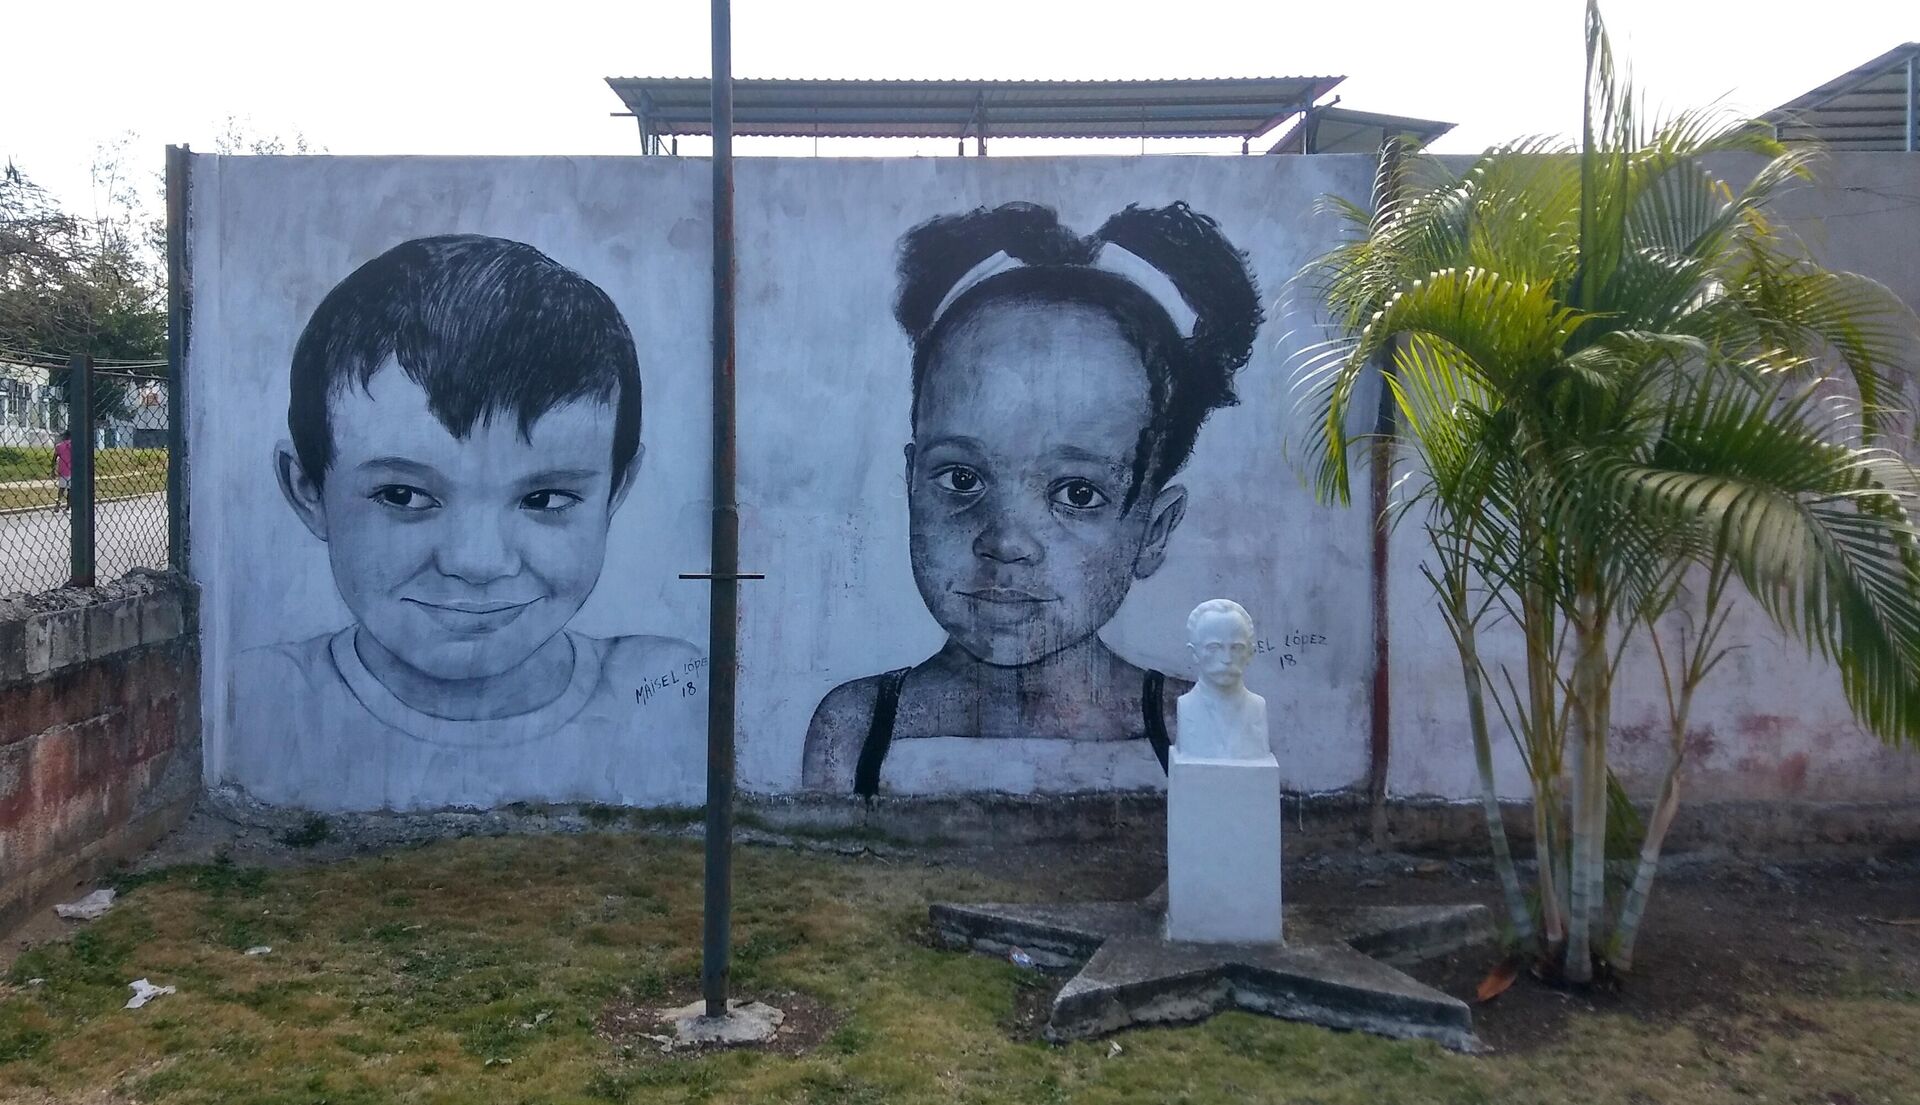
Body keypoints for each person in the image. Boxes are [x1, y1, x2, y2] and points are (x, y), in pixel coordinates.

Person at [228, 234, 704, 812]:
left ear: (617, 490)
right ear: (307, 490)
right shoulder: (257, 699)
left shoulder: (667, 694)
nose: (477, 562)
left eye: (547, 499)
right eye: (403, 495)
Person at [803, 202, 1263, 796]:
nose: (1006, 542)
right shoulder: (857, 726)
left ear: (1154, 529)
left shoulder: (1185, 725)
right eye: (962, 479)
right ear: (912, 481)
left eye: (1077, 493)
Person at [52, 430, 72, 513]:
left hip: (62, 469)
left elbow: (54, 458)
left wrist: (53, 470)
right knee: (70, 490)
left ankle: (59, 501)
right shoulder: (73, 446)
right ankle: (68, 507)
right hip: (72, 470)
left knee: (61, 488)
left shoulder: (59, 446)